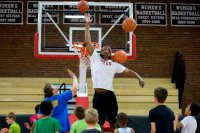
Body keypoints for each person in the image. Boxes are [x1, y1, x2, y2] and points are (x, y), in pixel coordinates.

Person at [84, 13, 145, 133]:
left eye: (106, 48)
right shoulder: (95, 57)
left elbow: (129, 71)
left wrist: (139, 78)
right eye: (103, 48)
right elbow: (87, 41)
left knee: (112, 122)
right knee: (100, 123)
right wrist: (87, 25)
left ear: (109, 53)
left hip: (110, 95)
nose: (104, 49)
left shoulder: (114, 64)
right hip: (98, 96)